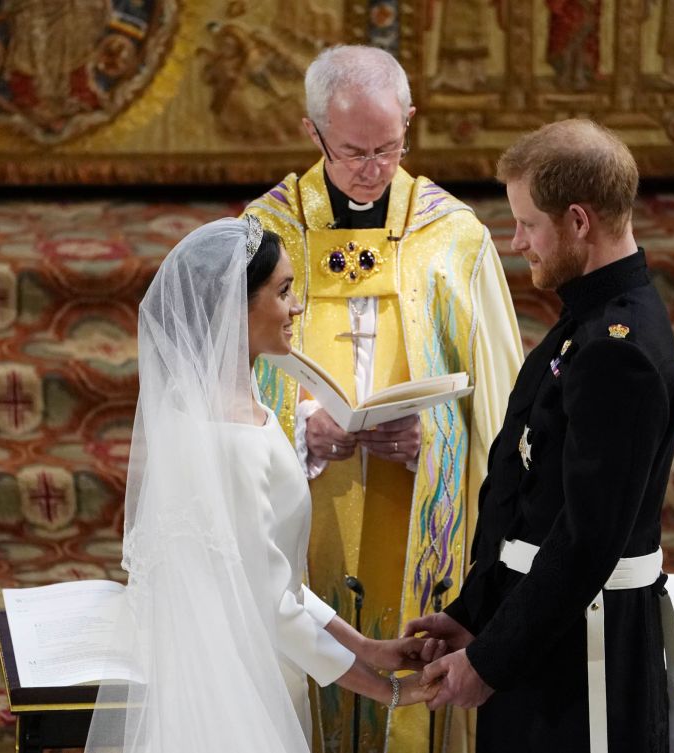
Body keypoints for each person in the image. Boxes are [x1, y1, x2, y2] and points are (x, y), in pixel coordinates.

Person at [244, 45, 523, 752]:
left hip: (419, 508)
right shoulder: (265, 233)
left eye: (389, 147)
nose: (373, 168)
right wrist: (300, 431)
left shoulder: (453, 237)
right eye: (352, 152)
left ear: (410, 121)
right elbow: (221, 382)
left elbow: (502, 405)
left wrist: (437, 441)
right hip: (311, 505)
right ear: (312, 135)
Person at [83, 217, 437, 753]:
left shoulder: (224, 407)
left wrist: (367, 646)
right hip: (237, 687)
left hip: (246, 663)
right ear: (235, 310)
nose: (298, 308)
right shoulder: (230, 436)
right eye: (284, 291)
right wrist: (388, 691)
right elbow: (273, 609)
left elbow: (274, 579)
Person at [405, 119, 674, 753]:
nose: (518, 242)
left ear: (579, 222)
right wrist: (472, 613)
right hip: (544, 633)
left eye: (528, 224)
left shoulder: (619, 351)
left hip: (586, 653)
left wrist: (490, 661)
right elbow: (528, 501)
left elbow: (587, 542)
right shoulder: (586, 323)